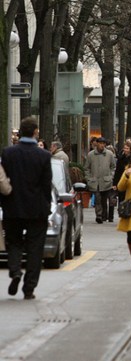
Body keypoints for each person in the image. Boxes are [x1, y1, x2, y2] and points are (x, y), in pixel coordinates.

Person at [2, 117, 50, 300]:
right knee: (35, 248)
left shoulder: (8, 153)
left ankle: (15, 271)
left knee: (13, 242)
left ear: (21, 131)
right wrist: (47, 204)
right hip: (37, 209)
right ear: (35, 132)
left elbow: (3, 180)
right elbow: (46, 185)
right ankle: (29, 288)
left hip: (13, 206)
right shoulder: (44, 156)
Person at [85, 137, 116, 224]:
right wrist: (89, 178)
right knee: (98, 198)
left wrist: (111, 176)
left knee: (104, 199)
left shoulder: (109, 154)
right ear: (97, 144)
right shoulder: (91, 155)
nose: (102, 145)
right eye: (100, 143)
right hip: (95, 181)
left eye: (104, 144)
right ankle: (99, 215)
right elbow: (86, 168)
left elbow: (113, 166)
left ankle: (104, 215)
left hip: (106, 181)